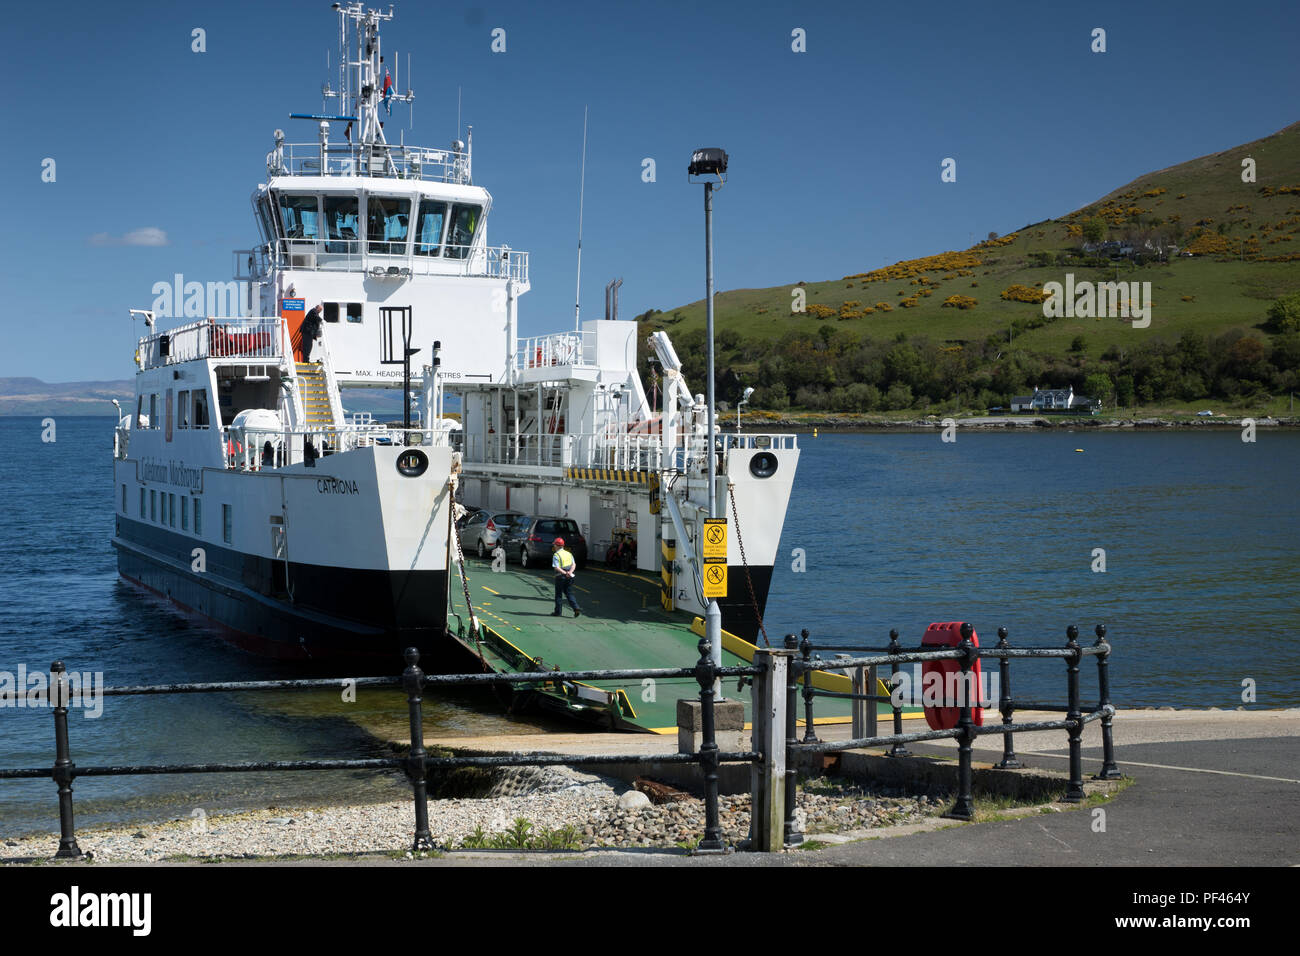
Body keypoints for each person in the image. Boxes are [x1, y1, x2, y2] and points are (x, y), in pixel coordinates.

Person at [550, 537, 581, 618]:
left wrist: (565, 573)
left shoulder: (556, 555)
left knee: (558, 595)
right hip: (570, 576)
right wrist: (569, 572)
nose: (554, 546)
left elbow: (556, 567)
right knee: (569, 593)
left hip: (560, 577)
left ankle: (558, 612)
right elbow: (574, 564)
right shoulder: (569, 554)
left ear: (556, 545)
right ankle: (576, 608)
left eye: (554, 545)